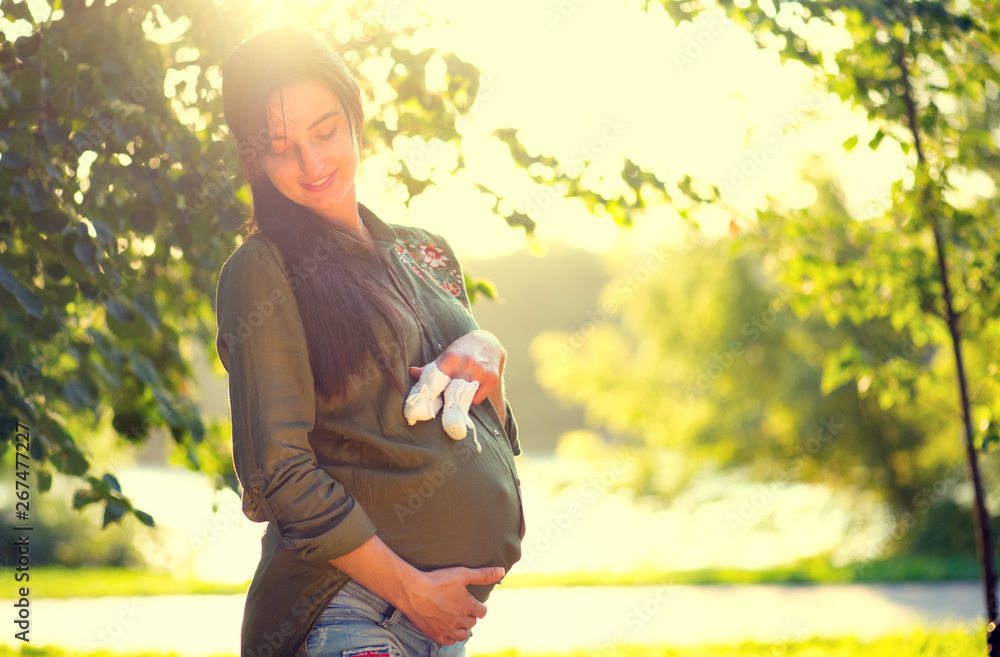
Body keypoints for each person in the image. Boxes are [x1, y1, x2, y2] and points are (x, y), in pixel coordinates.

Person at [214, 25, 525, 657]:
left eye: (325, 132)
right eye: (280, 147)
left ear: (356, 116)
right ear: (254, 157)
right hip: (352, 613)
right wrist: (410, 591)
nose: (313, 163)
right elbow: (279, 473)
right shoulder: (263, 270)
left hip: (439, 619)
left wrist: (489, 349)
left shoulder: (427, 250)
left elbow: (478, 425)